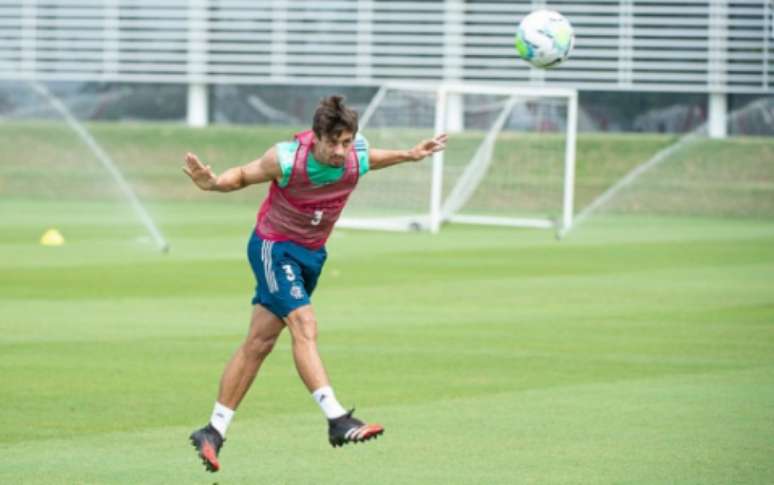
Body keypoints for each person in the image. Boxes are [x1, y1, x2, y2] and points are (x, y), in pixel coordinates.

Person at [183, 95, 447, 473]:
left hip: (311, 255)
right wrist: (212, 183)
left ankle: (213, 430)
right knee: (304, 325)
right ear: (316, 138)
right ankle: (337, 419)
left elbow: (373, 158)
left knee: (259, 343)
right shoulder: (287, 158)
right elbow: (242, 175)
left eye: (347, 142)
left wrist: (409, 154)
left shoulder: (355, 153)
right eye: (334, 143)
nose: (342, 151)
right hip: (274, 249)